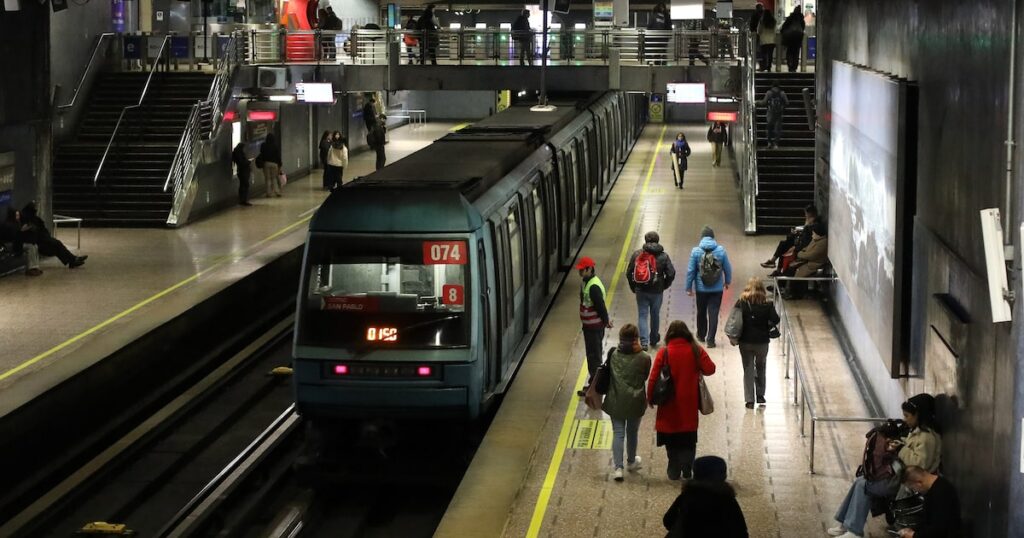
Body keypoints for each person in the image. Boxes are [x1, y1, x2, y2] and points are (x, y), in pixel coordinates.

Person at [828, 393, 943, 538]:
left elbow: (920, 466)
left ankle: (854, 530)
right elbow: (911, 450)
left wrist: (900, 449)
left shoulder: (927, 438)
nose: (905, 419)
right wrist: (899, 444)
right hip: (900, 476)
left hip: (908, 484)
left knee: (864, 485)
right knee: (861, 480)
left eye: (907, 416)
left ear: (919, 415)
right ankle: (846, 524)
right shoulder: (918, 432)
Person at [646, 320, 716, 480]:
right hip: (689, 402)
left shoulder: (664, 352)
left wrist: (650, 397)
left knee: (671, 436)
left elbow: (653, 377)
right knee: (689, 436)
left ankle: (673, 466)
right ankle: (687, 466)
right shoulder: (695, 350)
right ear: (687, 334)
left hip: (668, 401)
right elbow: (710, 369)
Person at [601, 324, 652, 481]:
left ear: (621, 338)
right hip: (635, 400)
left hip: (615, 399)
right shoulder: (644, 357)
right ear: (636, 338)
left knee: (618, 433)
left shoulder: (613, 354)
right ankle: (631, 461)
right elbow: (645, 376)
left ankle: (618, 468)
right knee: (632, 432)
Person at [663, 455, 749, 537]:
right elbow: (740, 531)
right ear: (722, 476)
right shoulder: (727, 499)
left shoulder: (687, 495)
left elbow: (668, 520)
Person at [732, 277, 779, 408]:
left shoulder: (741, 303)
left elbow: (734, 319)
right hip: (762, 342)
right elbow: (776, 319)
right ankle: (760, 395)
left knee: (748, 369)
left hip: (745, 341)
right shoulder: (767, 304)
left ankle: (749, 400)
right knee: (761, 367)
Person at [626, 230, 676, 350]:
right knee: (655, 314)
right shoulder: (663, 256)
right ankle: (653, 339)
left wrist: (634, 287)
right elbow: (671, 273)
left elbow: (629, 272)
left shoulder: (637, 254)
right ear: (658, 241)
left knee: (642, 315)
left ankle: (644, 342)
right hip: (657, 291)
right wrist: (664, 285)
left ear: (645, 240)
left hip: (641, 289)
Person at [685, 226, 732, 348]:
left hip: (701, 289)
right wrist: (727, 281)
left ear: (702, 237)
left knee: (701, 312)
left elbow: (691, 271)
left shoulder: (696, 251)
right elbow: (727, 268)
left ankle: (701, 335)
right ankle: (711, 340)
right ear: (713, 237)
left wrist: (688, 287)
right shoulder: (721, 250)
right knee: (713, 313)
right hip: (717, 289)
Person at [576, 255, 612, 396]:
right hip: (590, 327)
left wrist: (606, 321)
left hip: (594, 328)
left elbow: (600, 306)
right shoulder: (586, 282)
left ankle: (595, 387)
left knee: (594, 357)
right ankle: (594, 384)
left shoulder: (594, 286)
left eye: (582, 270)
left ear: (589, 269)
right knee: (592, 355)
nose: (580, 272)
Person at [896, 467, 961, 538]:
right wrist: (912, 530)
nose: (915, 491)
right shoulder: (931, 489)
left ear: (919, 483)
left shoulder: (941, 492)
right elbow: (927, 520)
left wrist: (914, 535)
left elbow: (939, 529)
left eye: (913, 488)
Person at [17, 203, 87, 269]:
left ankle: (72, 260)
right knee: (57, 245)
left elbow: (42, 231)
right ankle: (73, 260)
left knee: (58, 246)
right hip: (39, 243)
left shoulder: (34, 220)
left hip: (43, 241)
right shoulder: (27, 221)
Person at [761, 204, 819, 270]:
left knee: (784, 246)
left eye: (806, 213)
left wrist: (795, 247)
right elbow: (805, 233)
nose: (805, 215)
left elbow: (806, 239)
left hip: (802, 246)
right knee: (784, 243)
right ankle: (774, 264)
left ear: (809, 213)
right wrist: (798, 232)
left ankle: (774, 264)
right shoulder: (810, 221)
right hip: (801, 241)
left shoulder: (812, 223)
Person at [778, 222, 828, 299]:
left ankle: (791, 292)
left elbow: (811, 255)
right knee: (791, 267)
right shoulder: (816, 240)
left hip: (813, 265)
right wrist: (802, 253)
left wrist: (799, 254)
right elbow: (806, 249)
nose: (812, 235)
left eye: (813, 234)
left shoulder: (823, 243)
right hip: (806, 260)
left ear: (818, 234)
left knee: (795, 271)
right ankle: (784, 287)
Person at [1, 209, 42, 276]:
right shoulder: (8, 224)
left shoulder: (18, 223)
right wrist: (21, 231)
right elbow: (13, 237)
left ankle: (35, 267)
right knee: (30, 247)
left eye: (18, 215)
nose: (18, 217)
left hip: (17, 242)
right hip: (10, 244)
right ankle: (31, 268)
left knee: (35, 246)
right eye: (16, 215)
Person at [759, 82, 789, 149]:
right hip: (779, 113)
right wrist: (782, 107)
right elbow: (787, 102)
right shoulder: (782, 93)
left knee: (769, 128)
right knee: (777, 129)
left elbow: (764, 102)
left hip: (770, 113)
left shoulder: (769, 93)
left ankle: (769, 142)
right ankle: (776, 143)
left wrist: (757, 102)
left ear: (772, 86)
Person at [780, 6, 806, 72]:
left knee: (789, 52)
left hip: (790, 38)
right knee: (796, 53)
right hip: (798, 38)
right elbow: (803, 28)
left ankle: (790, 66)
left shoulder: (790, 18)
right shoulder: (801, 19)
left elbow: (784, 27)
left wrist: (783, 33)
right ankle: (794, 67)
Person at [258, 133, 282, 198]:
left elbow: (261, 153)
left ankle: (268, 193)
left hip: (266, 163)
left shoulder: (263, 145)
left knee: (267, 179)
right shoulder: (275, 146)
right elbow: (278, 156)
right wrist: (280, 164)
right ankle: (277, 192)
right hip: (274, 164)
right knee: (274, 178)